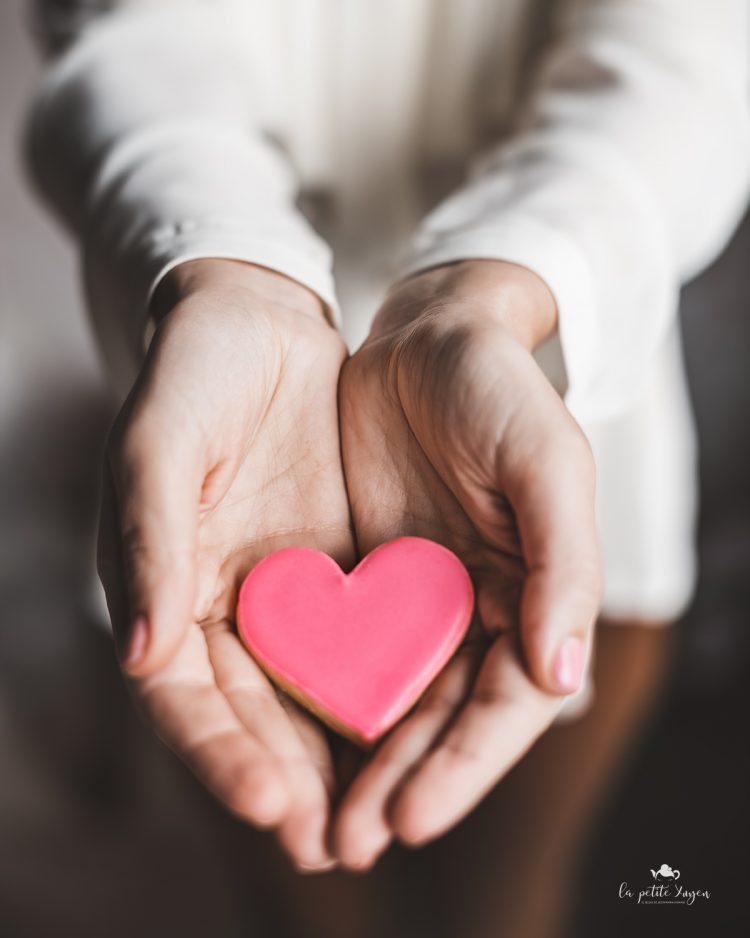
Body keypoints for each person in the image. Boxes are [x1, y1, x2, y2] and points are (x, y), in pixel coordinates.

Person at [26, 0, 750, 934]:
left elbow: (695, 52)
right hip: (226, 430)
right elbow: (126, 34)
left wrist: (500, 284)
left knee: (513, 898)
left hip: (537, 365)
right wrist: (231, 270)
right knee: (299, 889)